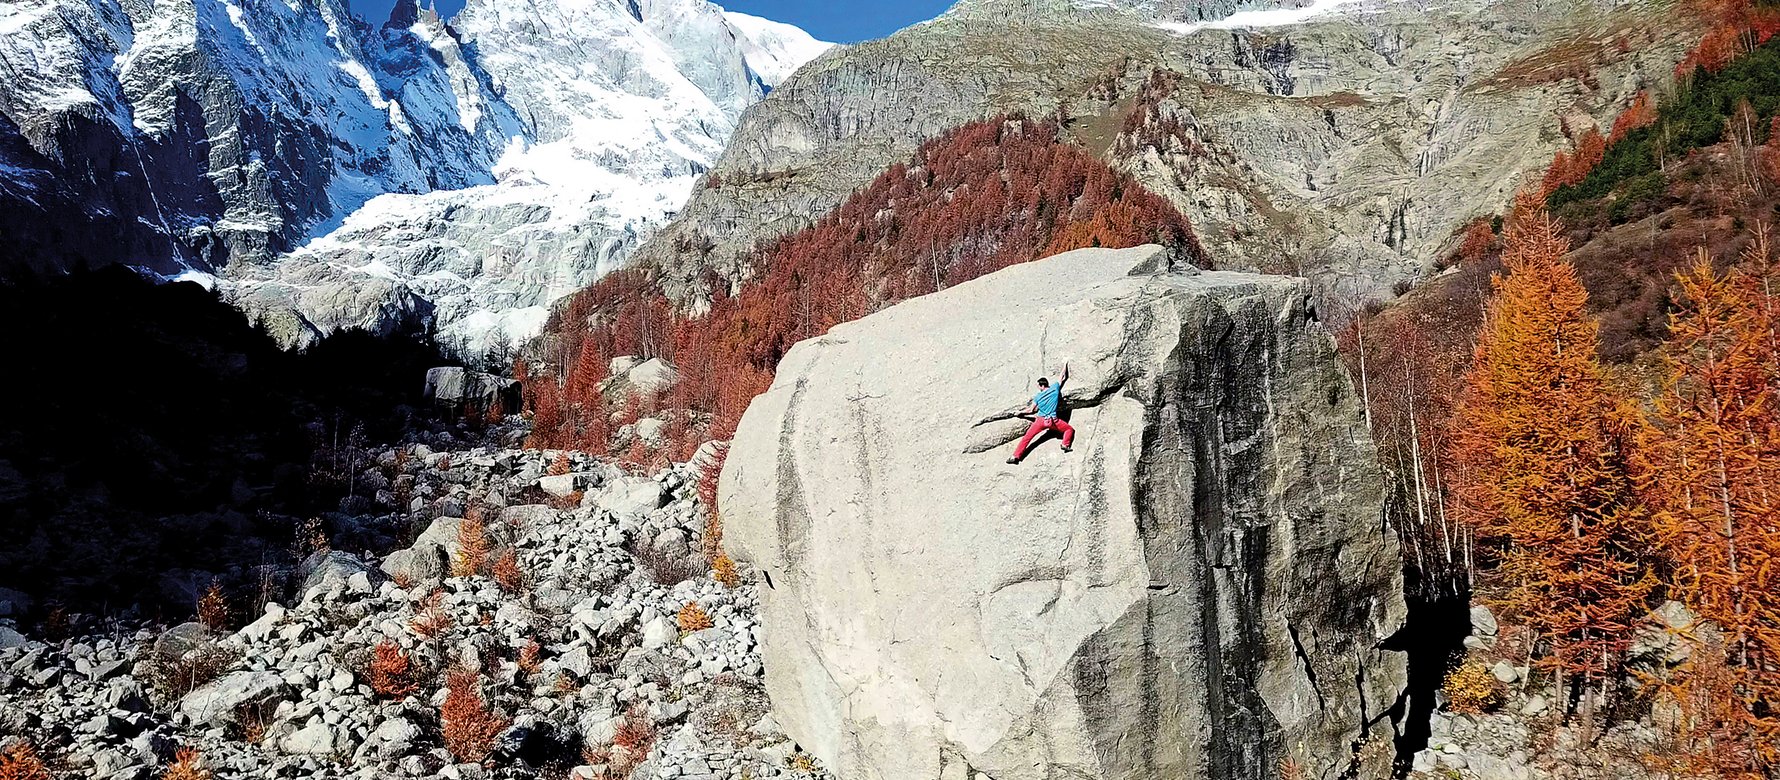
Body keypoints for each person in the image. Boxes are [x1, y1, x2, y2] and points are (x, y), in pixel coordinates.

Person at [1008, 362, 1073, 464]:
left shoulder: (1038, 397)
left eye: (1038, 386)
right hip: (1053, 421)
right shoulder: (1055, 388)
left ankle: (1015, 456)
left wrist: (1020, 413)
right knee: (1069, 429)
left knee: (1027, 438)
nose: (1038, 388)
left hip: (1040, 421)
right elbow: (1062, 376)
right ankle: (1065, 444)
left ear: (1042, 386)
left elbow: (1031, 410)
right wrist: (1065, 363)